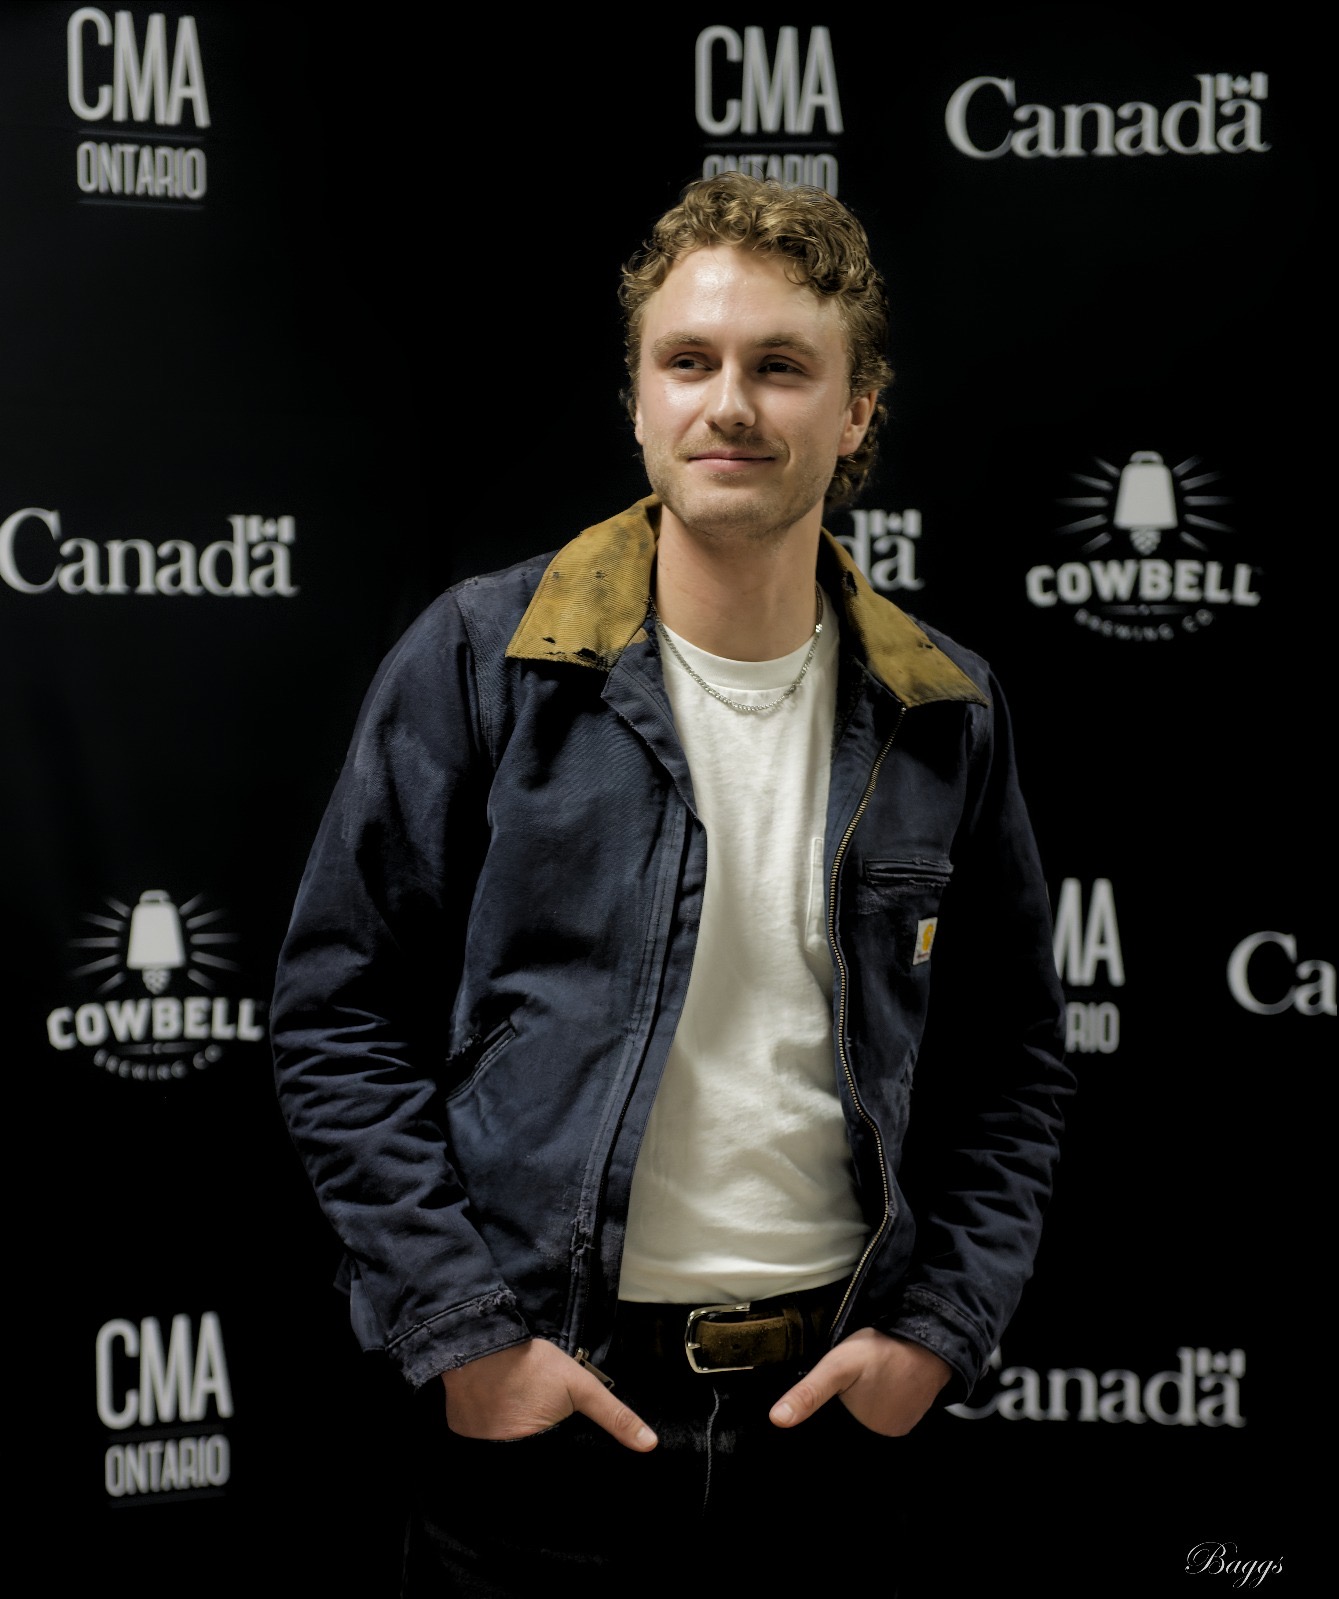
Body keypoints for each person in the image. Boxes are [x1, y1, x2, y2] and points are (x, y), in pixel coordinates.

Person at [271, 173, 1072, 1593]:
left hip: (832, 1434)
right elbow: (338, 1021)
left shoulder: (942, 707)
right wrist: (467, 1336)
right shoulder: (484, 661)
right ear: (639, 401)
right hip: (550, 1416)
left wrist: (937, 1331)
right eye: (688, 362)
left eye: (782, 367)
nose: (730, 405)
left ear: (857, 411)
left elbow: (1010, 1062)